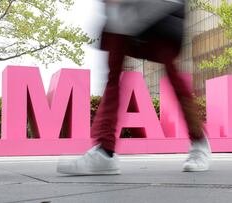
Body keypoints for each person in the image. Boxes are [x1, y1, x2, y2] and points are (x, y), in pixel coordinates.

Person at [57, 0, 211, 175]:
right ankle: (104, 151)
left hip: (159, 8)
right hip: (121, 10)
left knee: (171, 72)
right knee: (113, 73)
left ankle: (199, 141)